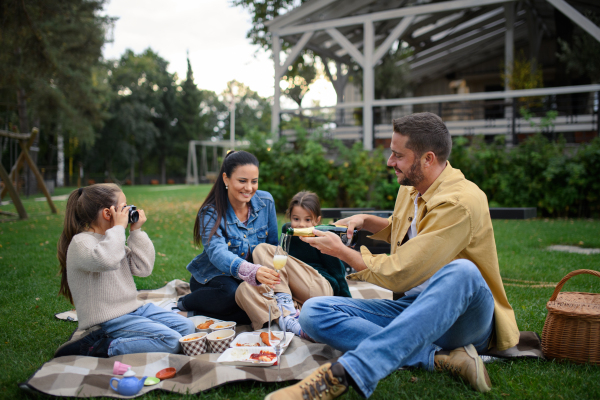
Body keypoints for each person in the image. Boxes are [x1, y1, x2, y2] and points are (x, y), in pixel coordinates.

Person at [265, 112, 520, 400]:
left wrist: (342, 252)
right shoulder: (412, 188)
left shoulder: (460, 202)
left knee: (463, 272)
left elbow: (403, 270)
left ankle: (346, 374)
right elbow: (406, 229)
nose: (390, 162)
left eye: (398, 155)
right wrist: (365, 220)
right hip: (413, 308)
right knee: (313, 312)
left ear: (428, 159)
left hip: (462, 320)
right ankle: (440, 360)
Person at [54, 184, 195, 358]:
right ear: (108, 213)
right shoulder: (81, 243)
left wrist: (136, 231)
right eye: (125, 206)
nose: (130, 210)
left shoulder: (113, 239)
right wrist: (119, 228)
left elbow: (143, 268)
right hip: (108, 320)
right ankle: (100, 346)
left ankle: (134, 333)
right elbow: (107, 259)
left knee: (187, 328)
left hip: (133, 309)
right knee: (171, 340)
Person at [177, 151, 279, 324]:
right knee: (232, 295)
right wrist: (251, 271)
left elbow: (273, 246)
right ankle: (186, 302)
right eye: (242, 181)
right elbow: (217, 253)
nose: (249, 188)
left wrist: (270, 275)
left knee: (258, 310)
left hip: (250, 278)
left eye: (254, 181)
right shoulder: (210, 212)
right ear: (226, 179)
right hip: (213, 278)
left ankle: (203, 314)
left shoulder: (266, 202)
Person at [235, 191, 351, 338]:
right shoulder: (287, 232)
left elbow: (339, 275)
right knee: (244, 289)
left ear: (317, 220)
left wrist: (348, 307)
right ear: (290, 217)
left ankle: (283, 311)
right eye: (296, 219)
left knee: (262, 250)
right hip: (295, 295)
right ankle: (289, 322)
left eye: (308, 220)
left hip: (318, 289)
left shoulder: (323, 236)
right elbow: (279, 269)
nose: (301, 224)